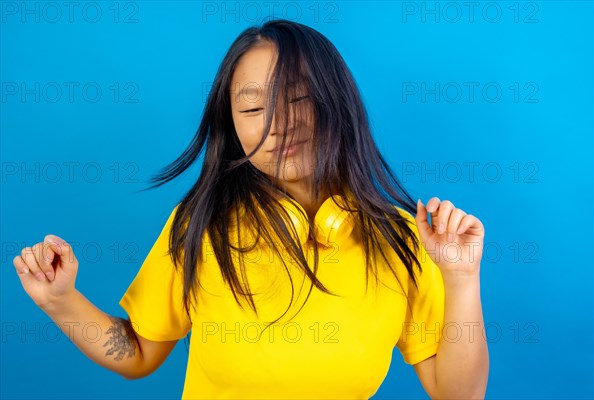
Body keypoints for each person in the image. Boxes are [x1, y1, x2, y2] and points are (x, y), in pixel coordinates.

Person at [13, 19, 489, 399]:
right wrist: (61, 301)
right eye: (253, 110)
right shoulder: (201, 224)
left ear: (337, 102)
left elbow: (458, 395)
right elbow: (136, 354)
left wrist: (462, 277)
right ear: (232, 126)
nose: (277, 126)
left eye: (298, 97)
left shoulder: (402, 239)